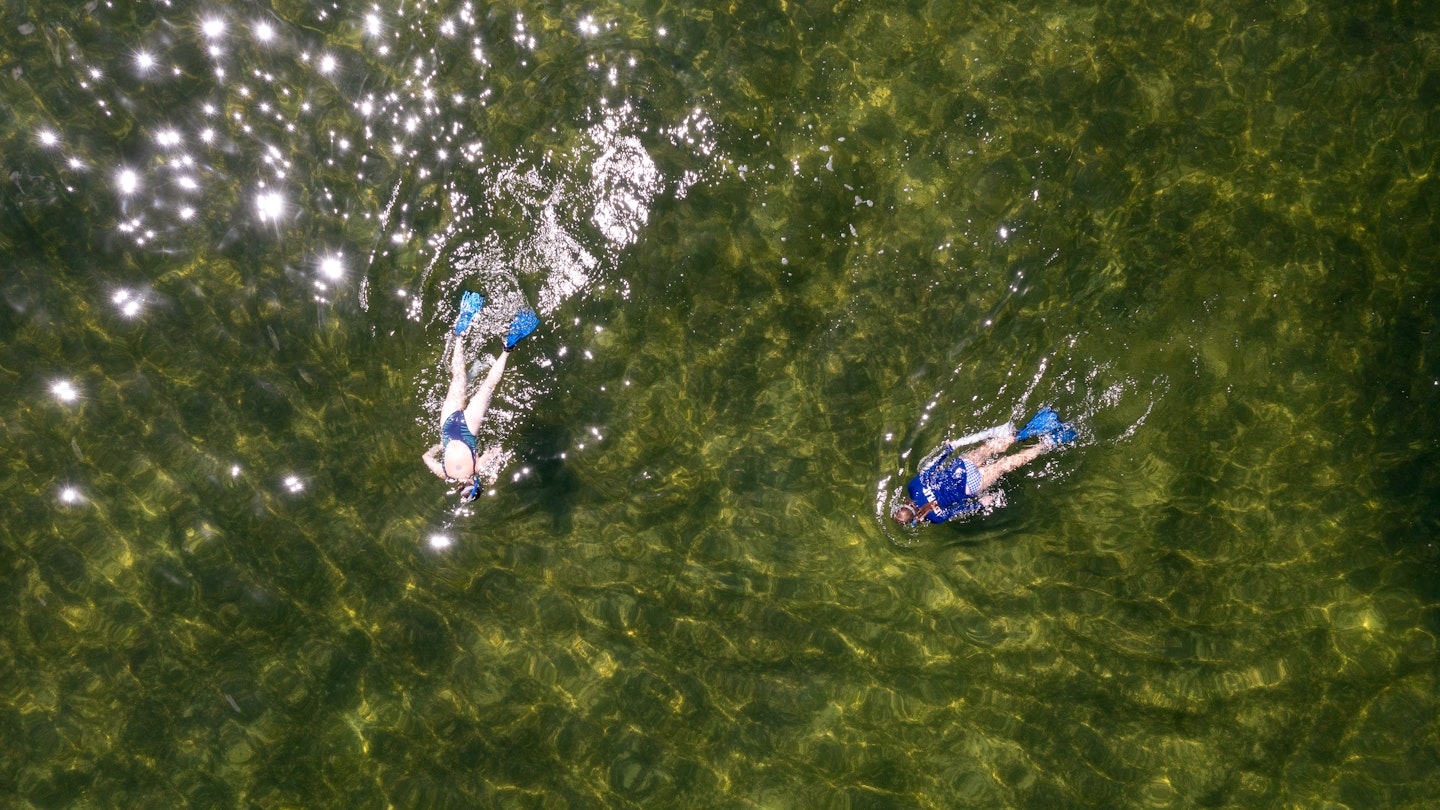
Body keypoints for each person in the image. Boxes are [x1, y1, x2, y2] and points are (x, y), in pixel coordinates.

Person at [423, 292, 538, 501]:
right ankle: (459, 335)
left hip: (468, 428)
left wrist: (492, 471)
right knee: (458, 377)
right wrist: (440, 446)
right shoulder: (444, 474)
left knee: (488, 386)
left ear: (475, 484)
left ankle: (507, 348)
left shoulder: (476, 468)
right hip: (447, 426)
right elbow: (426, 457)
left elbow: (497, 449)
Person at [892, 408, 1075, 526]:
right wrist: (948, 449)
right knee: (992, 447)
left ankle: (1046, 444)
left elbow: (958, 510)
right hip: (961, 467)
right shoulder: (913, 486)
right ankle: (1025, 432)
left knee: (1005, 464)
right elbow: (932, 468)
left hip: (971, 485)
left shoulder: (935, 517)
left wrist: (981, 503)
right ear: (903, 504)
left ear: (913, 520)